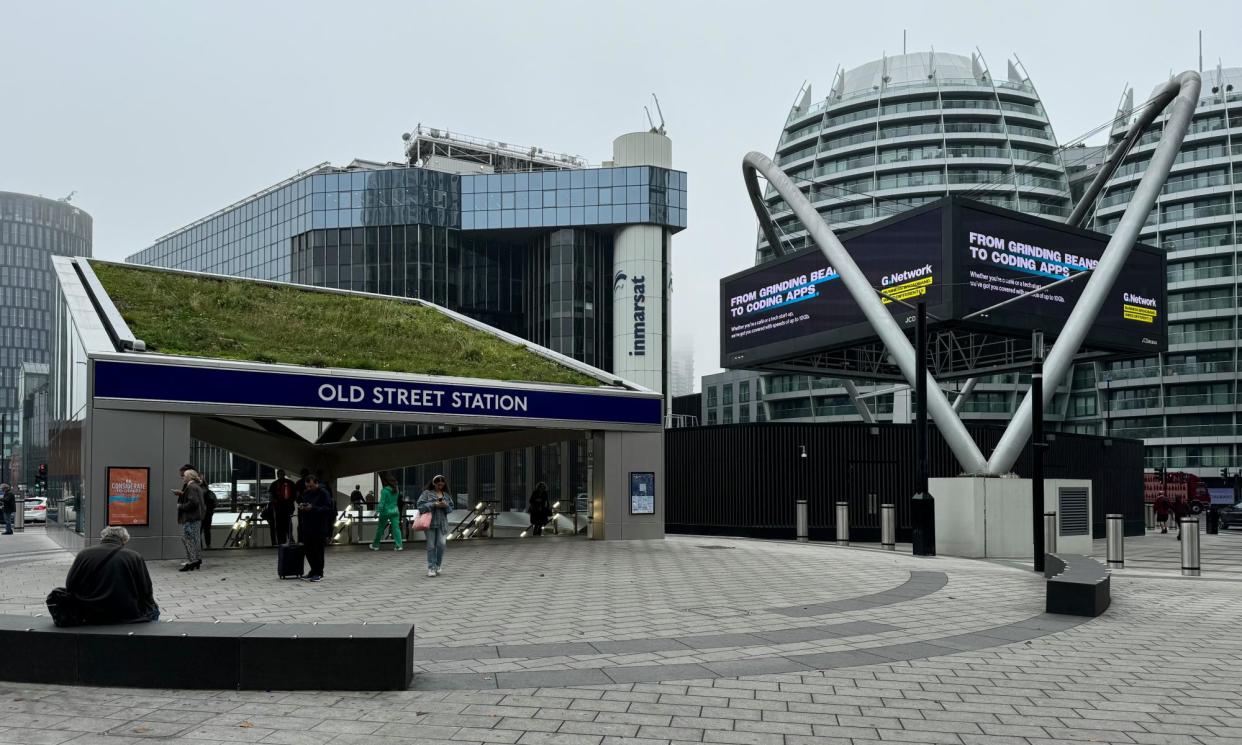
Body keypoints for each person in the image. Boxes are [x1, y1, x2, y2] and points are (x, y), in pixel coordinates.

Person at [63, 526, 159, 624]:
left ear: (102, 538)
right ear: (125, 540)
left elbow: (70, 584)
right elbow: (145, 589)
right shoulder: (133, 556)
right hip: (126, 613)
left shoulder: (84, 554)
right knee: (154, 610)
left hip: (89, 613)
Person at [416, 475, 455, 578]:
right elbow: (420, 506)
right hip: (430, 523)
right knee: (431, 546)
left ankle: (438, 564)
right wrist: (434, 504)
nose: (440, 486)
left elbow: (451, 508)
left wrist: (445, 506)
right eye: (438, 484)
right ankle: (431, 567)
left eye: (442, 484)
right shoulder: (426, 493)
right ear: (434, 483)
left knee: (441, 544)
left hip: (442, 524)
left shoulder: (446, 495)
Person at [298, 475, 334, 582]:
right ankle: (313, 570)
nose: (309, 488)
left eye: (311, 486)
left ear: (316, 483)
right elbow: (305, 503)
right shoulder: (307, 493)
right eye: (307, 486)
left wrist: (312, 508)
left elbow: (327, 508)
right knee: (308, 549)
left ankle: (319, 572)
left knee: (318, 549)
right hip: (307, 525)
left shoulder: (324, 493)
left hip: (319, 526)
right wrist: (302, 507)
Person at [175, 468, 205, 571]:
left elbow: (193, 503)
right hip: (196, 517)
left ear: (189, 477)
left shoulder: (191, 487)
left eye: (184, 476)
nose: (182, 477)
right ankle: (197, 559)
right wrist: (182, 495)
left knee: (187, 539)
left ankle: (192, 561)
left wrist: (181, 506)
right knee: (195, 539)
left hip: (190, 518)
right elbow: (196, 501)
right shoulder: (197, 486)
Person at [369, 475, 403, 552]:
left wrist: (377, 512)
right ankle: (399, 546)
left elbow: (382, 503)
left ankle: (375, 545)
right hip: (395, 511)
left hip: (385, 511)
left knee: (380, 528)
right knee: (396, 529)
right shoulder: (396, 490)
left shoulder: (384, 491)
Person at [267, 469, 297, 544]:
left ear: (278, 475)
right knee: (288, 523)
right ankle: (290, 538)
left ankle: (281, 541)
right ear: (284, 474)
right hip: (288, 507)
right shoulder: (290, 483)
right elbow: (296, 494)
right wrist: (291, 501)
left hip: (279, 508)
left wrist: (275, 502)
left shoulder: (274, 484)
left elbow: (271, 497)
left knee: (279, 524)